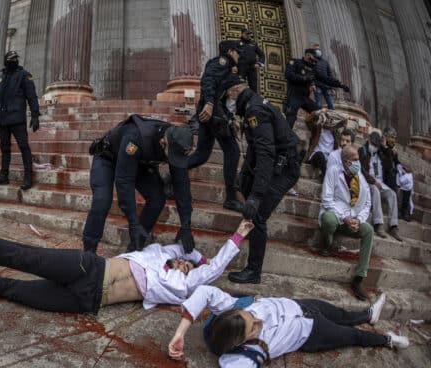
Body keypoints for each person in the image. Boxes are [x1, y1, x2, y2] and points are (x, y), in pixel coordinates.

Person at [0, 219, 253, 314]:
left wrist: (215, 254)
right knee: (17, 255)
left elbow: (214, 267)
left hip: (87, 302)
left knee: (16, 291)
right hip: (87, 269)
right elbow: (183, 247)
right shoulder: (159, 252)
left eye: (187, 265)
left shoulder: (189, 283)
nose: (181, 263)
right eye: (182, 259)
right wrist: (195, 252)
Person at [167, 285, 408, 366]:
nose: (259, 322)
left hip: (301, 306)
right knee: (353, 336)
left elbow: (204, 292)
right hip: (311, 331)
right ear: (240, 342)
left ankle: (367, 315)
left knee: (343, 314)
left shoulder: (230, 309)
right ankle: (387, 340)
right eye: (254, 328)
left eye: (251, 316)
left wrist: (180, 334)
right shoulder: (240, 358)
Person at [223, 75, 301, 284]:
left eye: (227, 96)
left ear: (234, 92)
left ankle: (253, 271)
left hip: (285, 168)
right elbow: (256, 148)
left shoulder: (254, 110)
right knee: (250, 197)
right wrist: (244, 174)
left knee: (257, 215)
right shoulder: (254, 105)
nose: (228, 103)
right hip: (278, 162)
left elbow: (266, 153)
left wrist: (256, 196)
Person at [83, 114, 194, 253]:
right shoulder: (136, 138)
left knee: (157, 198)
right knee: (102, 200)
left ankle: (135, 247)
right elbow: (124, 182)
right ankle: (89, 250)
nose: (173, 160)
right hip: (108, 158)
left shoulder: (177, 141)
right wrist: (133, 224)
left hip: (139, 163)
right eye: (171, 156)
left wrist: (186, 225)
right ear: (163, 142)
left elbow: (182, 184)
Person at [188, 40, 244, 213]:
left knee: (201, 155)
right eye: (237, 51)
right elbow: (208, 81)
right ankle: (230, 198)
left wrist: (228, 115)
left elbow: (220, 93)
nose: (239, 55)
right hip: (212, 113)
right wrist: (210, 103)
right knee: (233, 151)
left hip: (212, 113)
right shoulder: (222, 61)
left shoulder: (227, 67)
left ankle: (171, 176)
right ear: (229, 51)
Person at [319, 146, 375, 300]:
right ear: (346, 161)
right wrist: (343, 217)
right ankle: (327, 242)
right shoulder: (333, 171)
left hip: (352, 221)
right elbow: (326, 199)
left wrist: (359, 220)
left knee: (368, 230)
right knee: (328, 220)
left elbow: (367, 203)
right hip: (337, 217)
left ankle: (358, 278)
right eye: (355, 160)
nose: (358, 162)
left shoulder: (360, 177)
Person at [0, 51, 40, 191]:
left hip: (17, 118)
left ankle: (28, 177)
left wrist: (35, 115)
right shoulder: (0, 78)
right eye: (11, 59)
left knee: (24, 147)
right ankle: (3, 175)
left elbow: (32, 96)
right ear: (5, 61)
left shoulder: (24, 75)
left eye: (15, 59)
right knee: (4, 148)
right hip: (2, 119)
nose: (14, 61)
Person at [359, 132, 402, 241]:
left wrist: (385, 148)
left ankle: (394, 226)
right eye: (373, 144)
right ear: (369, 140)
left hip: (381, 183)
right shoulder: (362, 151)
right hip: (368, 182)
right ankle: (378, 224)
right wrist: (373, 181)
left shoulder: (380, 153)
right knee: (375, 190)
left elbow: (389, 166)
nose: (374, 147)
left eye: (376, 145)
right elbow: (361, 170)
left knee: (392, 194)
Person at [305, 109, 349, 180]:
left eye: (332, 120)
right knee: (320, 155)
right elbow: (308, 121)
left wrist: (344, 123)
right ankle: (326, 176)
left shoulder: (335, 133)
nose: (330, 121)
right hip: (316, 156)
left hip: (328, 159)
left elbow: (345, 136)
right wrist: (319, 111)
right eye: (328, 118)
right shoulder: (318, 127)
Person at [382, 127, 413, 222]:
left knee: (408, 178)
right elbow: (386, 163)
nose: (393, 140)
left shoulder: (393, 149)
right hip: (384, 175)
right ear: (385, 137)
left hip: (394, 174)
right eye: (392, 137)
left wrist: (401, 168)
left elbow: (396, 162)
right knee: (392, 173)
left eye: (395, 138)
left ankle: (405, 209)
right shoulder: (381, 147)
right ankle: (396, 210)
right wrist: (388, 149)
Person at [312, 44, 350, 110]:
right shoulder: (311, 62)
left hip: (327, 87)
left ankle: (331, 119)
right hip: (317, 86)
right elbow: (310, 74)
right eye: (316, 50)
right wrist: (312, 84)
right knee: (318, 105)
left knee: (331, 105)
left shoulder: (325, 62)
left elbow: (330, 75)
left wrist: (333, 88)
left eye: (319, 50)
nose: (318, 51)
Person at [236, 28, 264, 93]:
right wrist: (234, 65)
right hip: (241, 67)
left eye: (249, 34)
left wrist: (259, 63)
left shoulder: (253, 44)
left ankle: (253, 101)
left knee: (253, 86)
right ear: (242, 34)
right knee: (240, 84)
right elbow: (233, 55)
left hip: (252, 67)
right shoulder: (237, 43)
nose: (248, 36)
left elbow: (261, 55)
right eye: (247, 34)